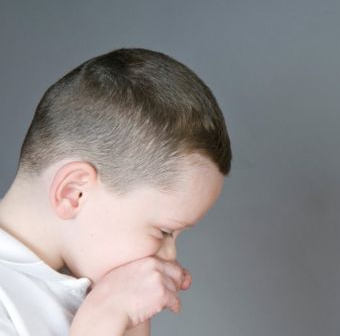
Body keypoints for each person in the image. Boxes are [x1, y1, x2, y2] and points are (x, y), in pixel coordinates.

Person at [0, 48, 231, 335]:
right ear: (74, 193)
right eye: (164, 231)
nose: (170, 255)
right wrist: (104, 319)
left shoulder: (95, 291)